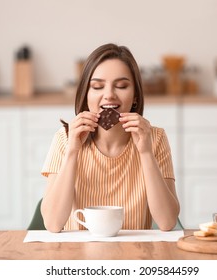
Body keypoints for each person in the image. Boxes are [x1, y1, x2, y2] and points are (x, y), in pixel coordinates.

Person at [41, 43, 180, 232]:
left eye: (121, 86)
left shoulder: (155, 138)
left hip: (135, 254)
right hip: (79, 255)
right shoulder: (65, 139)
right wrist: (72, 151)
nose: (109, 95)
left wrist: (146, 152)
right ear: (86, 95)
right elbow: (53, 223)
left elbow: (167, 221)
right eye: (97, 86)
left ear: (136, 96)